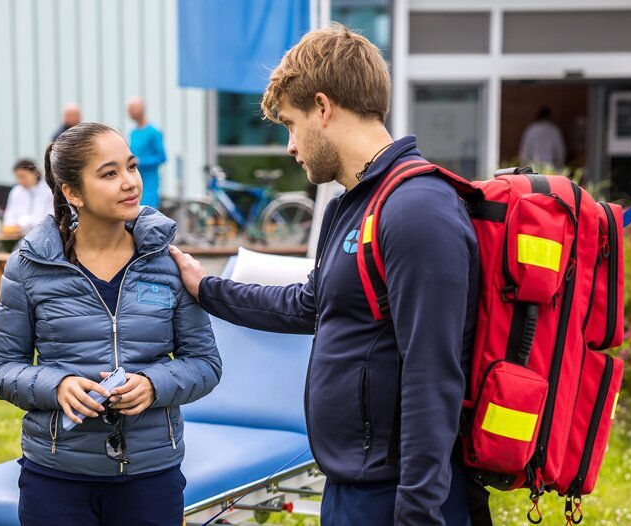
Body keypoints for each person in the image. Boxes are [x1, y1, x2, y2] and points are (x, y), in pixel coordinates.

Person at [170, 25, 481, 525]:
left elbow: (433, 374)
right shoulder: (352, 206)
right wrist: (206, 288)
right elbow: (310, 304)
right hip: (351, 487)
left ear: (323, 106)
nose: (291, 146)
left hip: (402, 497)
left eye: (291, 125)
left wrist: (418, 513)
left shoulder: (418, 210)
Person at [0, 122, 222, 526]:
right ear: (72, 192)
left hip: (150, 475)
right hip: (56, 476)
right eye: (110, 173)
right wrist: (56, 386)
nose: (130, 182)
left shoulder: (168, 263)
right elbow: (0, 368)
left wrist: (153, 384)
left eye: (132, 167)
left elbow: (205, 363)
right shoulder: (28, 267)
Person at [127, 97, 166, 208]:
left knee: (147, 214)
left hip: (149, 182)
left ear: (141, 109)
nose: (129, 113)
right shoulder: (133, 133)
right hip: (134, 180)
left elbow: (162, 157)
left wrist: (141, 161)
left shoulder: (154, 132)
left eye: (131, 109)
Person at [2, 159, 54, 233]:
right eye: (18, 177)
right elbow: (8, 218)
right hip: (19, 237)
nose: (20, 181)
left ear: (35, 173)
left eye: (23, 176)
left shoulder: (48, 191)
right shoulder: (16, 191)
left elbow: (51, 218)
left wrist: (25, 222)